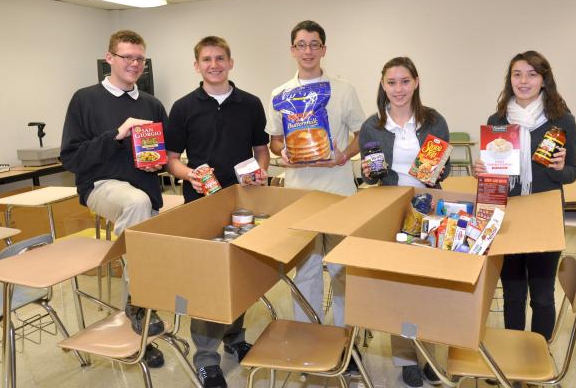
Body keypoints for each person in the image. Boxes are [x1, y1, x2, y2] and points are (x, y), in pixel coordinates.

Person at [165, 36, 269, 388]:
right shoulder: (182, 107)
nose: (214, 64)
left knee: (239, 272)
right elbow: (171, 160)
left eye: (220, 58)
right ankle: (207, 358)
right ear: (197, 66)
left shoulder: (251, 104)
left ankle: (235, 337)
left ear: (231, 62)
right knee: (207, 279)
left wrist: (260, 170)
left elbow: (260, 149)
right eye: (206, 59)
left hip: (242, 203)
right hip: (201, 204)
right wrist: (189, 174)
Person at [60, 29, 168, 368]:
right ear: (110, 59)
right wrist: (116, 135)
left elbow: (163, 155)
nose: (134, 64)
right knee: (136, 205)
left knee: (144, 228)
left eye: (140, 59)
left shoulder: (152, 104)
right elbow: (71, 158)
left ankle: (139, 327)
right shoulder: (85, 99)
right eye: (127, 57)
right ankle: (138, 303)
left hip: (145, 190)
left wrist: (160, 162)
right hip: (100, 186)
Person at [266, 20, 365, 331]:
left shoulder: (344, 90)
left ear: (324, 49)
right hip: (299, 195)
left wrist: (344, 155)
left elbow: (363, 134)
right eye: (301, 44)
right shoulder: (279, 93)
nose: (307, 50)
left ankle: (345, 338)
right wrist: (282, 152)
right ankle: (308, 333)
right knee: (305, 270)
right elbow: (275, 140)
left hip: (339, 193)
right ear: (292, 50)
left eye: (314, 44)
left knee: (341, 269)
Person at [473, 50, 576, 341]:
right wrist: (482, 170)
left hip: (545, 215)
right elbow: (494, 175)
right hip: (509, 214)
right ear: (510, 79)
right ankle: (513, 360)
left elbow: (572, 172)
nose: (524, 81)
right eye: (517, 74)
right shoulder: (498, 120)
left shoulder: (562, 120)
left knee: (543, 296)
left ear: (544, 80)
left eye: (532, 74)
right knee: (513, 294)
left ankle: (538, 361)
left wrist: (559, 169)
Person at [358, 57, 447, 388]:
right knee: (401, 288)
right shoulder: (372, 126)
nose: (398, 89)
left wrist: (439, 169)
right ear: (383, 85)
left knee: (433, 286)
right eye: (391, 82)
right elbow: (371, 173)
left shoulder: (434, 121)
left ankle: (432, 355)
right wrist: (367, 173)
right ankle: (406, 358)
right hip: (392, 211)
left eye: (405, 81)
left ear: (416, 82)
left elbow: (443, 171)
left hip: (431, 211)